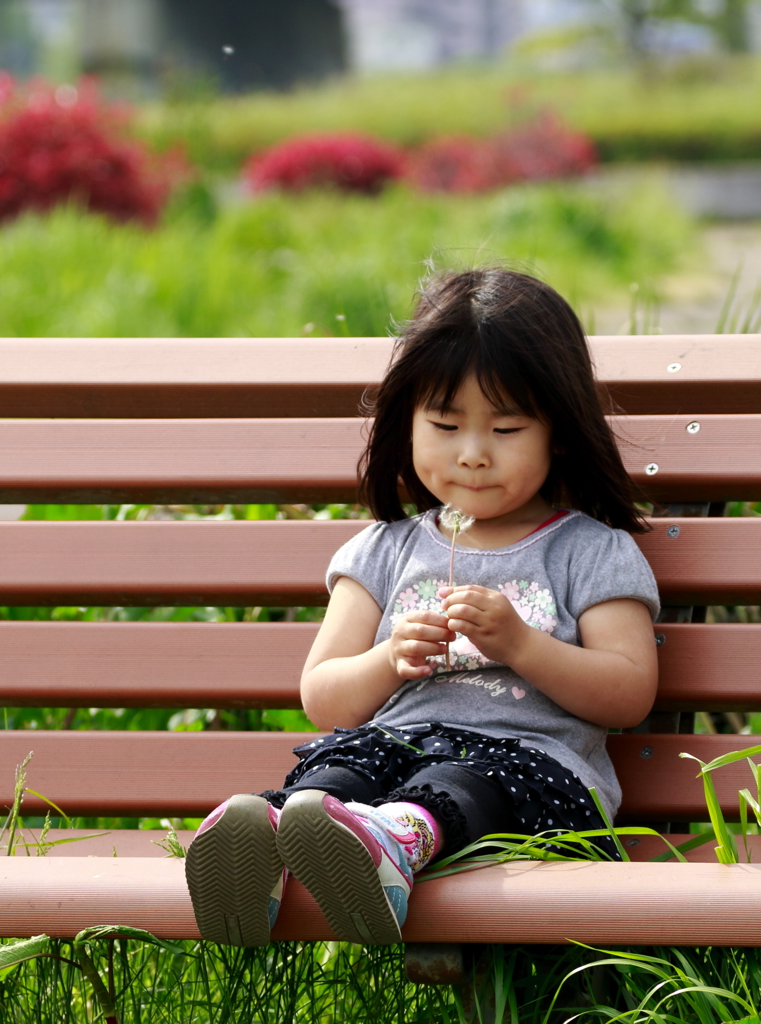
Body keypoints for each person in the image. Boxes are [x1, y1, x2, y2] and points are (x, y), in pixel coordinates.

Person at [184, 268, 660, 948]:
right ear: (406, 419)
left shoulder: (590, 551)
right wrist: (388, 659)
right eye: (444, 423)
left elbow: (629, 693)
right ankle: (261, 842)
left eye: (505, 427)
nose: (472, 455)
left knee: (455, 779)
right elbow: (325, 697)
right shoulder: (383, 550)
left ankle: (393, 844)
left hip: (529, 771)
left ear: (558, 432)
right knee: (339, 775)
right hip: (393, 747)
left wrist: (523, 646)